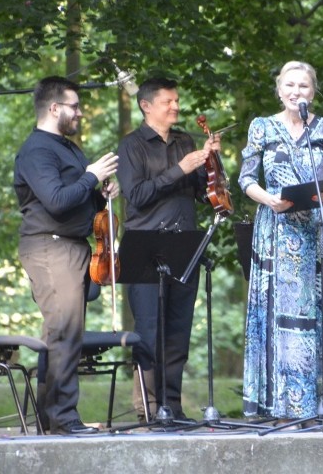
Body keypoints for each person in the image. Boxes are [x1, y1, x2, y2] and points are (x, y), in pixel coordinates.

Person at [238, 61, 323, 420]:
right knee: (273, 314)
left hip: (313, 229)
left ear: (312, 92)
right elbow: (246, 178)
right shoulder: (262, 127)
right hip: (276, 229)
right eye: (289, 85)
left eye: (303, 86)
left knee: (310, 314)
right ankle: (275, 404)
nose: (296, 91)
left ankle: (313, 403)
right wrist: (268, 199)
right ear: (279, 90)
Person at [14, 76, 119, 435]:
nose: (80, 112)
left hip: (72, 247)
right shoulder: (37, 150)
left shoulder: (69, 148)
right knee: (65, 333)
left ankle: (52, 419)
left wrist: (101, 191)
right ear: (54, 108)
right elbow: (56, 200)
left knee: (64, 333)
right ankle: (63, 419)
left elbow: (77, 199)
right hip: (49, 246)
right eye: (74, 106)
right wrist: (90, 177)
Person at [116, 76, 221, 422]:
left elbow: (199, 193)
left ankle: (172, 408)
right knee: (149, 329)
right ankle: (148, 410)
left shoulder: (185, 140)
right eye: (168, 102)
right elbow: (138, 196)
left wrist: (210, 165)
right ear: (147, 106)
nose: (176, 106)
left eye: (177, 100)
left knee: (178, 328)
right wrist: (180, 169)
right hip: (144, 243)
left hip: (184, 242)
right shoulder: (131, 146)